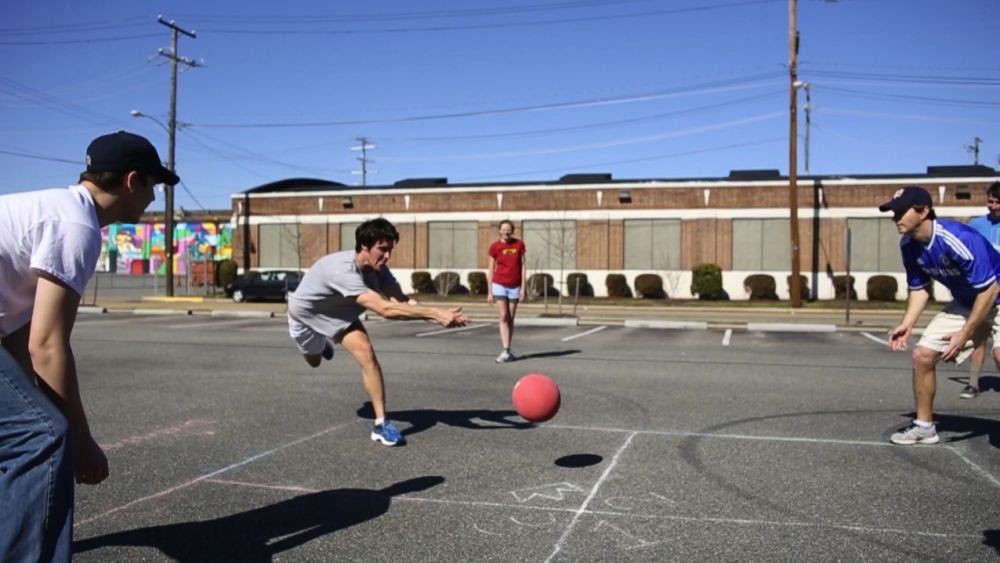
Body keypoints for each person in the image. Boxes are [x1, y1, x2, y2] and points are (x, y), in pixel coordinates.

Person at [0, 131, 179, 561]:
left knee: (28, 429)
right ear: (131, 181)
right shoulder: (76, 226)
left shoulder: (55, 210)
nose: (153, 199)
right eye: (153, 186)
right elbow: (48, 346)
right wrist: (80, 439)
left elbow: (23, 340)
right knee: (42, 439)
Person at [287, 218, 469, 447]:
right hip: (306, 318)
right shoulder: (341, 270)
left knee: (366, 352)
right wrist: (434, 314)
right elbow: (385, 309)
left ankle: (381, 424)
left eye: (390, 250)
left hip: (340, 315)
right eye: (382, 250)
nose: (387, 256)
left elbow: (401, 301)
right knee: (313, 361)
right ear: (364, 245)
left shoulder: (378, 270)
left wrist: (440, 315)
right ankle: (322, 346)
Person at [881, 185, 1000, 445]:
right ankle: (924, 427)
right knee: (922, 355)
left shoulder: (957, 238)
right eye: (893, 212)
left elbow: (990, 289)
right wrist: (907, 323)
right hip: (969, 301)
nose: (895, 218)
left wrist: (964, 333)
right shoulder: (909, 246)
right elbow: (920, 288)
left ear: (924, 211)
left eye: (901, 212)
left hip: (994, 295)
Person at [962, 180, 1000, 399]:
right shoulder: (977, 225)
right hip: (982, 294)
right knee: (978, 339)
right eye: (990, 201)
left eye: (998, 202)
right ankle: (973, 384)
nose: (993, 206)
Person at [486, 219, 527, 363]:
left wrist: (523, 288)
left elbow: (522, 266)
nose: (506, 232)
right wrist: (489, 291)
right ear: (499, 231)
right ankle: (505, 350)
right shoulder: (495, 247)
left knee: (510, 318)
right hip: (499, 284)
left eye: (508, 229)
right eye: (503, 229)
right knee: (503, 316)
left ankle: (508, 349)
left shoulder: (519, 245)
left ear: (512, 230)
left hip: (515, 286)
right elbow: (491, 269)